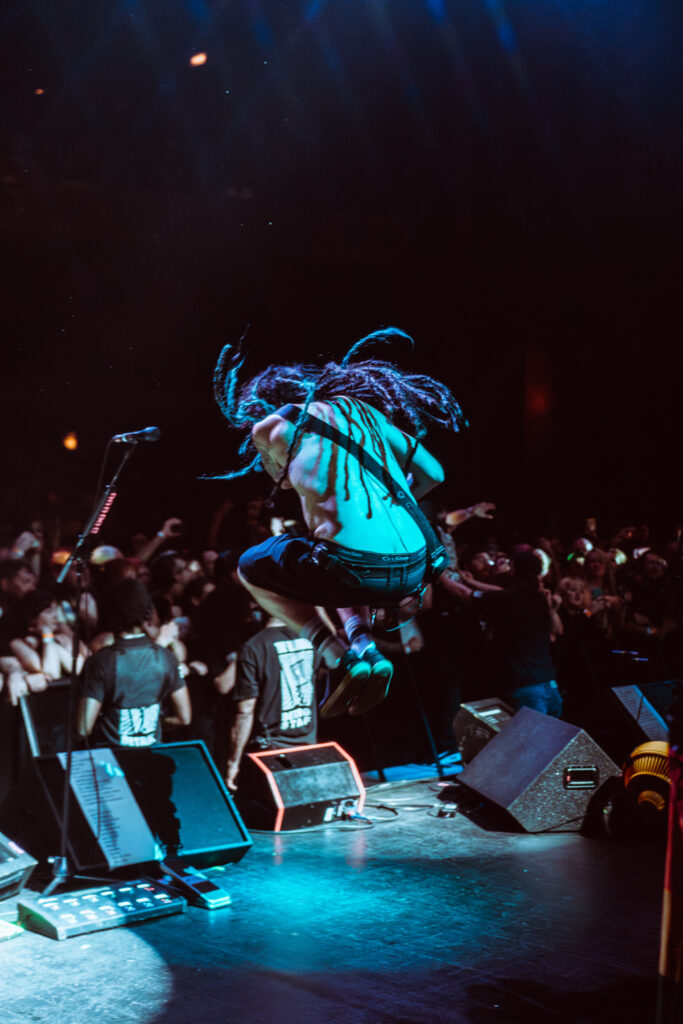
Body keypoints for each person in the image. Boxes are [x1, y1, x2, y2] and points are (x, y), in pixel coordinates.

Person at [211, 327, 465, 718]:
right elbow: (434, 473)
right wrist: (391, 505)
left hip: (355, 566)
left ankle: (336, 656)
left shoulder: (271, 428)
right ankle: (365, 648)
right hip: (418, 564)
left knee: (250, 566)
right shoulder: (362, 412)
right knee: (329, 561)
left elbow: (280, 479)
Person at [77, 578, 191, 748]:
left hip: (113, 759)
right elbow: (184, 718)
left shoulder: (99, 662)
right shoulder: (166, 657)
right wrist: (154, 722)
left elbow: (83, 728)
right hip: (152, 756)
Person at [225, 616, 320, 791]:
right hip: (308, 743)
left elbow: (246, 710)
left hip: (272, 751)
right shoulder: (311, 638)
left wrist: (234, 762)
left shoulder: (254, 646)